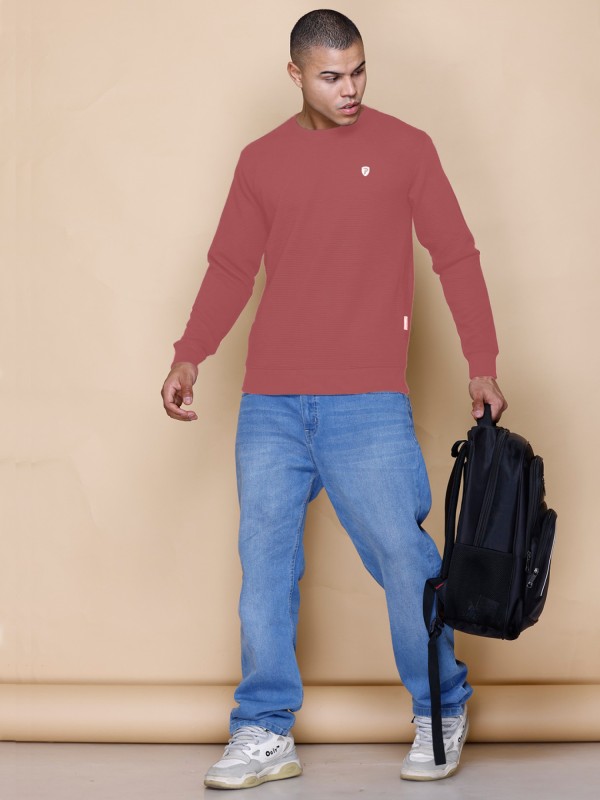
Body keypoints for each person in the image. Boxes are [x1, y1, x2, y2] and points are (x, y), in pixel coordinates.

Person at [161, 8, 507, 789]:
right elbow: (230, 267)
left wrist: (481, 364)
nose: (349, 89)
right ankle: (263, 729)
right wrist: (189, 356)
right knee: (264, 567)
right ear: (295, 75)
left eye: (358, 71)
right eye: (330, 76)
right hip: (271, 403)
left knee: (405, 561)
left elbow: (455, 255)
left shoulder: (407, 148)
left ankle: (441, 707)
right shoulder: (261, 161)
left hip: (368, 401)